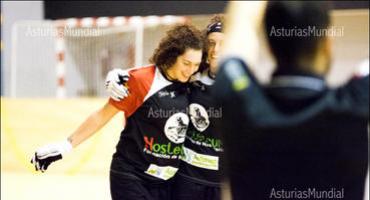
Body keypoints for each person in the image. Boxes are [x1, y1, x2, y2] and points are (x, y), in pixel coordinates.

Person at [212, 1, 369, 200]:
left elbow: (242, 21)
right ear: (327, 43)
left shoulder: (239, 100)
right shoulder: (356, 102)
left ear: (269, 47)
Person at [31, 24, 204, 200]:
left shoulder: (191, 84)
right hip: (132, 177)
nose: (190, 70)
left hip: (166, 183)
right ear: (172, 56)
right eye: (186, 63)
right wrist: (65, 146)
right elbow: (101, 116)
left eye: (196, 65)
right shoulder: (142, 80)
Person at [105, 15, 226, 200]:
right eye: (211, 43)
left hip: (223, 182)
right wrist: (121, 74)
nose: (215, 50)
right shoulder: (192, 74)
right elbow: (161, 71)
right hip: (185, 180)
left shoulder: (245, 81)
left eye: (223, 43)